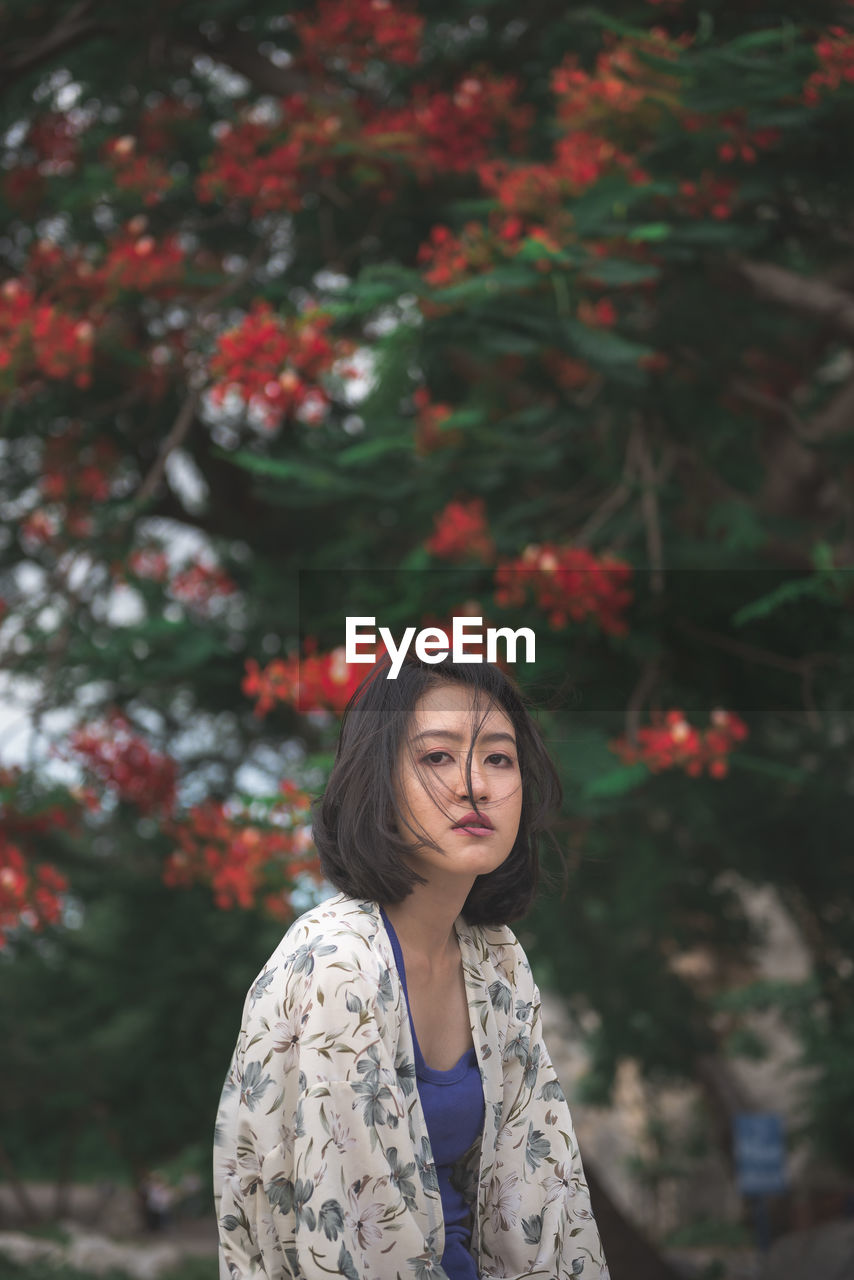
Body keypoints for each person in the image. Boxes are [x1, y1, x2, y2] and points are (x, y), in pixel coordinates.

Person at [214, 652, 610, 1279]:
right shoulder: (337, 965)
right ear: (379, 781)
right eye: (437, 756)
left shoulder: (496, 959)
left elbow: (542, 1203)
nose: (475, 784)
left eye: (498, 758)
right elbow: (349, 1242)